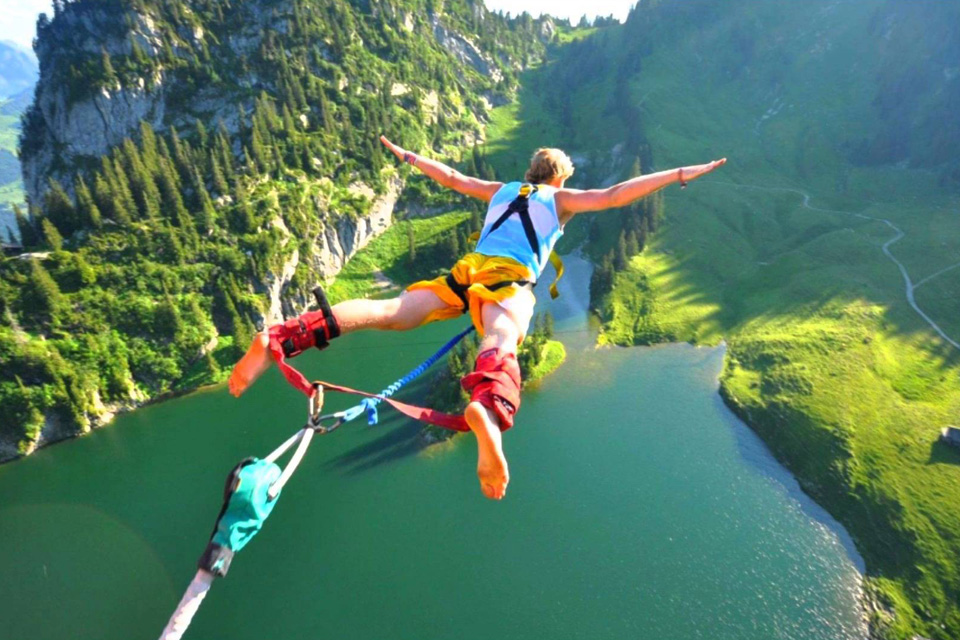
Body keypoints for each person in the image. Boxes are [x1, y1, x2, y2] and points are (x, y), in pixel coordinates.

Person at [228, 135, 726, 500]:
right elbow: (617, 195)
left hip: (467, 272)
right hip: (508, 280)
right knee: (503, 333)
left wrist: (409, 156)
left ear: (529, 171)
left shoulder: (502, 190)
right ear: (559, 178)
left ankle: (280, 337)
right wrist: (680, 174)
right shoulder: (561, 199)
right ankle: (486, 407)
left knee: (392, 311)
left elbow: (450, 177)